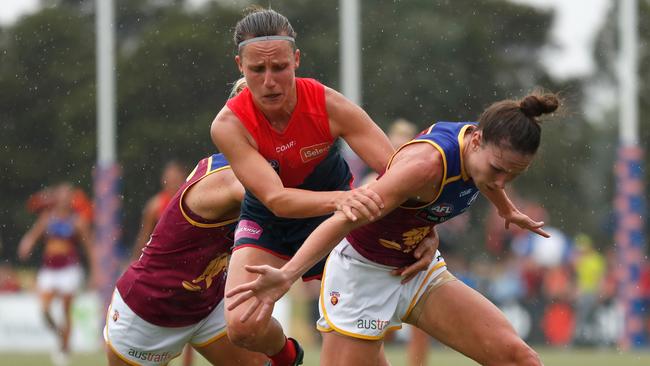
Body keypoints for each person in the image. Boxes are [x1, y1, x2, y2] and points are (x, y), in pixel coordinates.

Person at [227, 92, 559, 365]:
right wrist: (287, 275)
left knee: (520, 359)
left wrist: (507, 209)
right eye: (498, 170)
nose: (501, 181)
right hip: (362, 275)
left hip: (417, 270)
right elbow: (347, 217)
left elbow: (487, 177)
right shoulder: (424, 167)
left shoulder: (485, 146)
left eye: (513, 175)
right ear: (476, 139)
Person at [210, 7, 440, 366]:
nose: (270, 80)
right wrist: (350, 199)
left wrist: (423, 226)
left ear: (296, 60)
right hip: (271, 221)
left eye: (279, 67)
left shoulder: (328, 105)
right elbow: (277, 200)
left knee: (355, 344)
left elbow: (397, 170)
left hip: (337, 225)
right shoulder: (228, 124)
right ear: (240, 64)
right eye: (257, 69)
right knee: (241, 325)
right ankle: (288, 358)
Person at [104, 153, 268, 366]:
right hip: (150, 308)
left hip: (207, 301)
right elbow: (276, 202)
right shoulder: (225, 180)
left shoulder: (254, 166)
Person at [18, 182, 98, 366]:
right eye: (60, 195)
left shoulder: (77, 221)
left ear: (71, 199)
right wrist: (27, 243)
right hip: (49, 269)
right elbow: (34, 234)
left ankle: (63, 349)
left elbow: (89, 248)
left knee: (66, 310)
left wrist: (95, 273)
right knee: (44, 310)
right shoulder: (48, 218)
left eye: (67, 196)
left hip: (69, 269)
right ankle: (60, 334)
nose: (63, 199)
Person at [128, 160, 195, 366]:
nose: (172, 180)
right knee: (162, 322)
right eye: (169, 176)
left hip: (191, 268)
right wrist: (135, 265)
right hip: (162, 271)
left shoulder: (192, 198)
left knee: (194, 319)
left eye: (176, 176)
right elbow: (143, 237)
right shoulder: (155, 205)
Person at [130, 160, 187, 261]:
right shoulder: (155, 205)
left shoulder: (190, 200)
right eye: (169, 179)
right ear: (163, 180)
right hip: (162, 256)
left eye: (175, 179)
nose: (172, 183)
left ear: (184, 179)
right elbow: (144, 236)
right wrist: (135, 261)